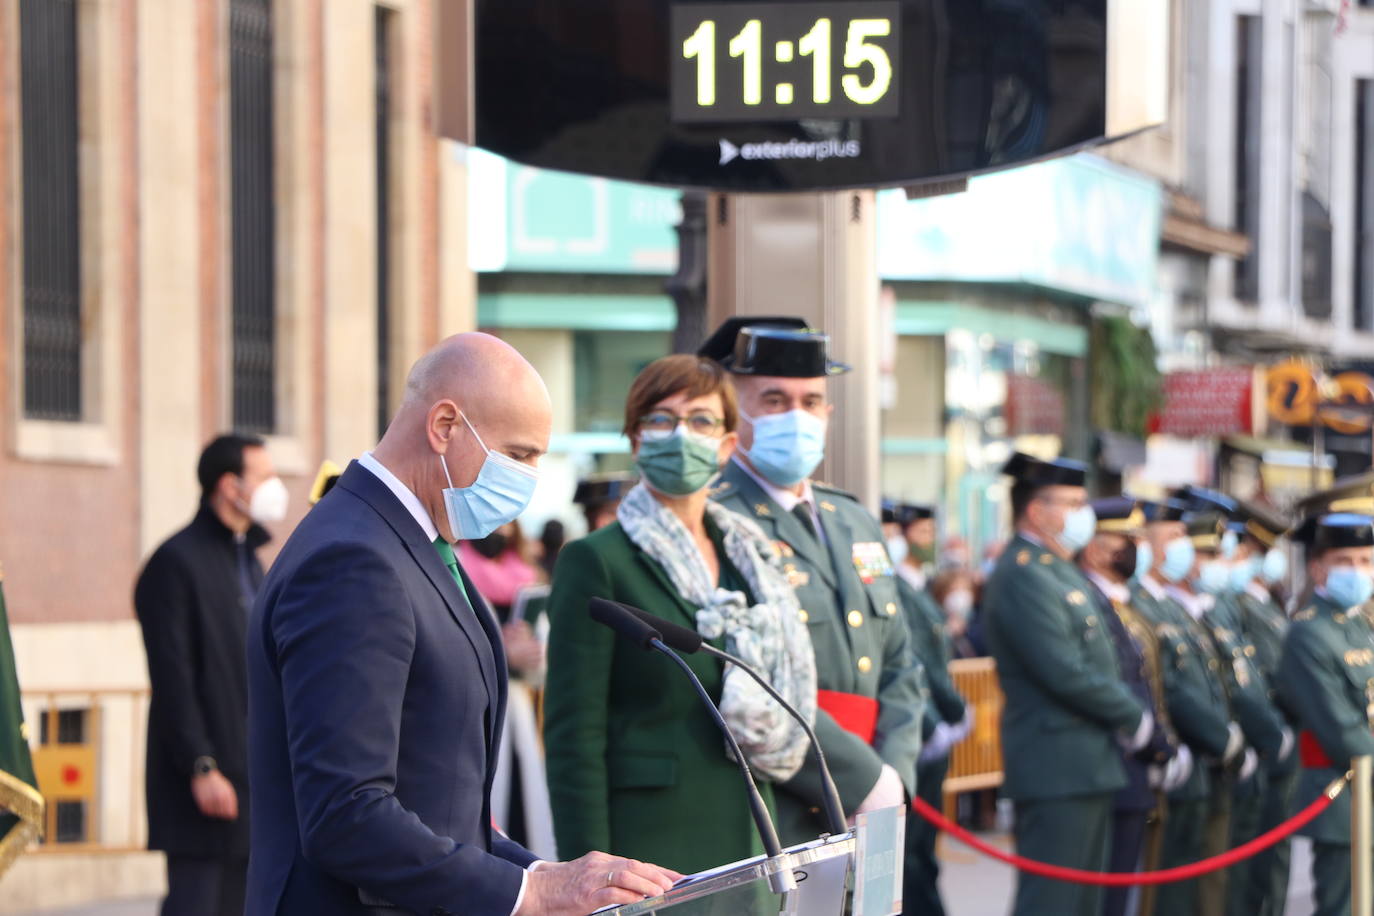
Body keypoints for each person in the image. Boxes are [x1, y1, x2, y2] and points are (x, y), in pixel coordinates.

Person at [245, 334, 678, 916]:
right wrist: (531, 893)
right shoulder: (355, 559)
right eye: (519, 455)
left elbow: (437, 805)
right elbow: (346, 815)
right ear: (445, 424)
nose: (528, 479)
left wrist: (543, 872)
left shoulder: (410, 544)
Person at [545, 354, 816, 875]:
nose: (680, 435)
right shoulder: (597, 559)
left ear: (728, 443)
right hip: (648, 851)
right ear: (635, 439)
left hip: (752, 839)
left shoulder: (752, 558)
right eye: (661, 419)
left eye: (700, 421)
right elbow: (573, 735)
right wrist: (588, 870)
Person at [700, 317, 926, 845]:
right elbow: (736, 673)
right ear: (735, 411)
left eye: (810, 401)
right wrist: (861, 780)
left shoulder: (852, 519)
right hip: (777, 797)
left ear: (828, 412)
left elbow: (900, 664)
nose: (796, 417)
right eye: (775, 401)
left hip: (874, 797)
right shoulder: (714, 517)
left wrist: (892, 778)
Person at [982, 452, 1151, 916]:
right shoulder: (1024, 573)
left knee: (1085, 903)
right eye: (1073, 503)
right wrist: (1132, 714)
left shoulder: (1056, 569)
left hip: (1088, 763)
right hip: (1057, 766)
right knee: (1053, 903)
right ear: (1036, 511)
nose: (1084, 516)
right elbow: (1062, 669)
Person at [133, 433, 289, 916]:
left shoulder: (250, 559)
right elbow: (173, 674)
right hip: (204, 780)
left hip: (251, 775)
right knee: (198, 902)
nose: (274, 488)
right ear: (228, 486)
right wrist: (200, 765)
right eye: (263, 477)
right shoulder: (175, 562)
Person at [1077, 497, 1182, 916]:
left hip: (1137, 767)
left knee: (1123, 897)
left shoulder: (1126, 605)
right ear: (1095, 546)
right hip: (1110, 765)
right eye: (1125, 539)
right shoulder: (1089, 602)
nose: (1134, 548)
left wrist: (1163, 745)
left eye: (1138, 538)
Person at [1132, 498, 1237, 916]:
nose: (1184, 548)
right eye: (1174, 537)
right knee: (1165, 891)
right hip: (1170, 760)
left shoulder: (1171, 607)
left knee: (1192, 885)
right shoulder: (1142, 605)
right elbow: (1169, 688)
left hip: (1198, 764)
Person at [1278, 513, 1374, 916]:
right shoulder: (1309, 632)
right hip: (1343, 800)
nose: (1358, 572)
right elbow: (1340, 728)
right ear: (1318, 568)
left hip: (1365, 791)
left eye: (1366, 561)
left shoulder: (1360, 626)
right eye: (1345, 562)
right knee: (1344, 906)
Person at [884, 502, 968, 916]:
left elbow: (934, 663)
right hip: (913, 731)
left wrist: (954, 712)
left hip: (929, 729)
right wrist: (938, 722)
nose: (926, 541)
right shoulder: (893, 586)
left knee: (922, 848)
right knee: (910, 853)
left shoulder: (916, 586)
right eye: (917, 532)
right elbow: (911, 662)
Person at [1229, 500, 1298, 916]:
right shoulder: (1240, 603)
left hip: (1280, 737)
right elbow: (1270, 672)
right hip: (1265, 737)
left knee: (1274, 856)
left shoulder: (1268, 602)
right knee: (1256, 859)